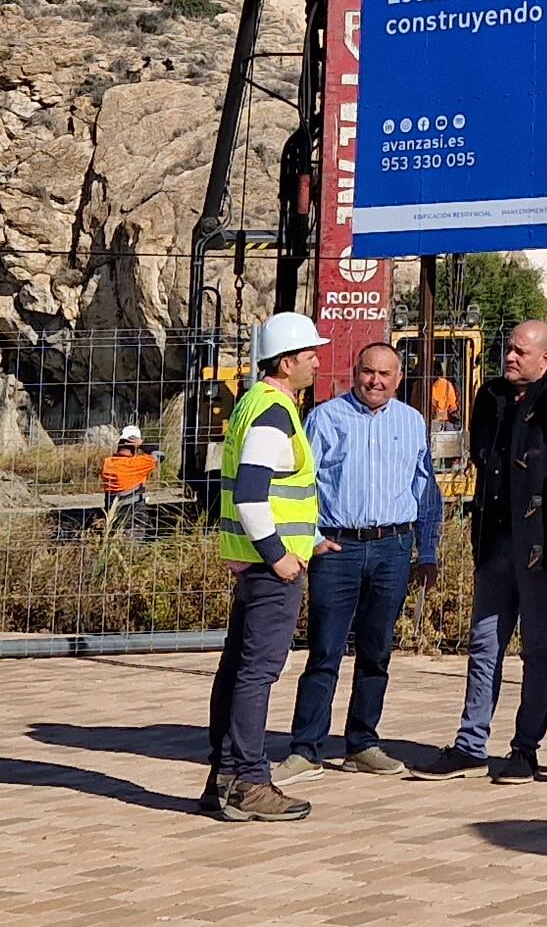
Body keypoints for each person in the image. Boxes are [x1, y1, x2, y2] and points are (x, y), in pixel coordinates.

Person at [416, 318, 547, 783]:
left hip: (543, 548)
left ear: (546, 358)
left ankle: (525, 749)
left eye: (521, 351)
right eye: (508, 350)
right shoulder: (491, 396)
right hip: (494, 543)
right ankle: (470, 744)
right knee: (484, 643)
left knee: (538, 650)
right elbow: (483, 456)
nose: (510, 357)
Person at [287, 341, 442, 776]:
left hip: (392, 548)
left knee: (377, 653)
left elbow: (426, 491)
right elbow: (302, 484)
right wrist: (312, 538)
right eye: (367, 372)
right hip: (339, 549)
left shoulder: (412, 422)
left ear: (398, 379)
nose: (375, 381)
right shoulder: (325, 418)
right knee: (325, 651)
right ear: (355, 373)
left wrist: (426, 551)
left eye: (385, 375)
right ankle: (306, 748)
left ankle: (362, 743)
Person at [196, 313, 326, 825]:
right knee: (257, 672)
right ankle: (250, 780)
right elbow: (253, 497)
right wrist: (281, 556)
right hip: (270, 568)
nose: (318, 360)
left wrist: (311, 539)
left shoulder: (254, 403)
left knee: (238, 667)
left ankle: (225, 777)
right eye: (310, 353)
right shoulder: (274, 412)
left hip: (253, 562)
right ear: (288, 361)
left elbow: (261, 493)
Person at [95, 427, 158, 531]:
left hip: (113, 511)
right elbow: (160, 454)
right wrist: (143, 443)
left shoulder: (108, 463)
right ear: (135, 447)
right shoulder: (139, 463)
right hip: (134, 511)